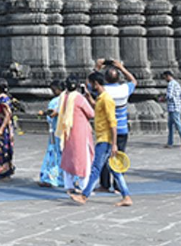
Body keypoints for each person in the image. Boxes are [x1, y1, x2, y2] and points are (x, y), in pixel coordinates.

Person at [68, 71, 132, 207]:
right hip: (103, 138)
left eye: (91, 84)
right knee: (114, 170)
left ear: (96, 84)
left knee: (96, 168)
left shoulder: (107, 99)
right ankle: (126, 196)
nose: (90, 86)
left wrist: (114, 144)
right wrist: (88, 97)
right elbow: (97, 109)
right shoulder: (101, 98)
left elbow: (113, 123)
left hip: (105, 139)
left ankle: (84, 196)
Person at [95, 58, 136, 192]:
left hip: (107, 130)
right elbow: (134, 81)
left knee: (104, 157)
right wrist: (121, 68)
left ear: (105, 79)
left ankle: (105, 184)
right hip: (122, 128)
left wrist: (97, 68)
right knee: (119, 156)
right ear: (118, 78)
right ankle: (118, 186)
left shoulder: (104, 91)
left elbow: (90, 85)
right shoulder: (124, 89)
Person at [57, 77, 95, 194]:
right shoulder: (79, 98)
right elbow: (91, 113)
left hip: (67, 131)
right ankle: (84, 187)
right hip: (80, 132)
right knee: (84, 159)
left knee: (68, 158)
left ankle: (68, 185)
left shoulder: (63, 97)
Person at [38, 81, 64, 188]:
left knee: (54, 152)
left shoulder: (55, 101)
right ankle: (65, 178)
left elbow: (50, 116)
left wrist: (45, 114)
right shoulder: (69, 99)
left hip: (55, 131)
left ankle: (50, 178)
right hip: (66, 131)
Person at [161, 70, 181, 149]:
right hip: (174, 107)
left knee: (178, 125)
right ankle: (170, 142)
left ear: (168, 76)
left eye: (165, 77)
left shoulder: (171, 84)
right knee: (170, 126)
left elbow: (169, 96)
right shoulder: (176, 83)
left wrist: (162, 98)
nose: (165, 79)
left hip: (174, 107)